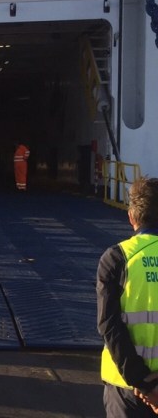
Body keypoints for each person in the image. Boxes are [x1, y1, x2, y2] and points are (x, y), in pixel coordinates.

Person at [98, 177, 158, 416]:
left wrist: (144, 383)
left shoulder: (116, 259)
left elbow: (109, 325)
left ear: (132, 217)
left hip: (126, 390)